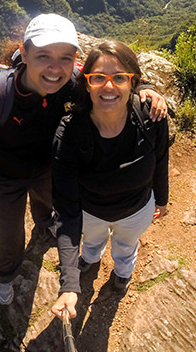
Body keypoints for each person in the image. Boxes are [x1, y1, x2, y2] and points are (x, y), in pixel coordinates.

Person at [0, 14, 167, 306]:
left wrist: (145, 89)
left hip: (49, 166)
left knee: (48, 205)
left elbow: (116, 75)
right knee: (8, 233)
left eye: (65, 58)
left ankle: (45, 224)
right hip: (5, 176)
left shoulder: (75, 81)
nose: (55, 69)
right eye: (44, 56)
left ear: (74, 60)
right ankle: (5, 275)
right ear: (25, 53)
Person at [50, 40, 169, 319]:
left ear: (133, 82)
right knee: (91, 241)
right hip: (90, 212)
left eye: (119, 78)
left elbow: (162, 160)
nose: (108, 86)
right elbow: (65, 208)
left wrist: (162, 200)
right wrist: (69, 283)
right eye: (98, 78)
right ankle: (89, 261)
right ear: (87, 84)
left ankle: (122, 272)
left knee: (126, 245)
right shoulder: (69, 133)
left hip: (138, 209)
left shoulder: (152, 118)